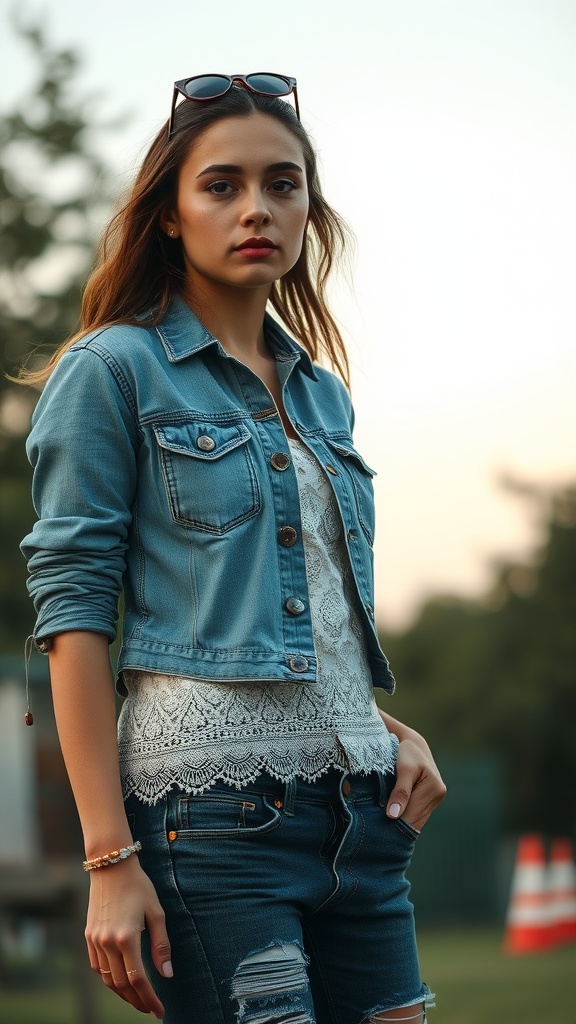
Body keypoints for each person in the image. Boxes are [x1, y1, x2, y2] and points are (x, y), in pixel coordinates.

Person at [20, 74, 446, 1024]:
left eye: (283, 184)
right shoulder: (109, 372)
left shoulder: (320, 392)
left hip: (364, 817)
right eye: (221, 185)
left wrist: (384, 729)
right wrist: (107, 858)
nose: (257, 207)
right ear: (168, 214)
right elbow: (75, 612)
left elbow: (312, 611)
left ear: (308, 208)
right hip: (214, 828)